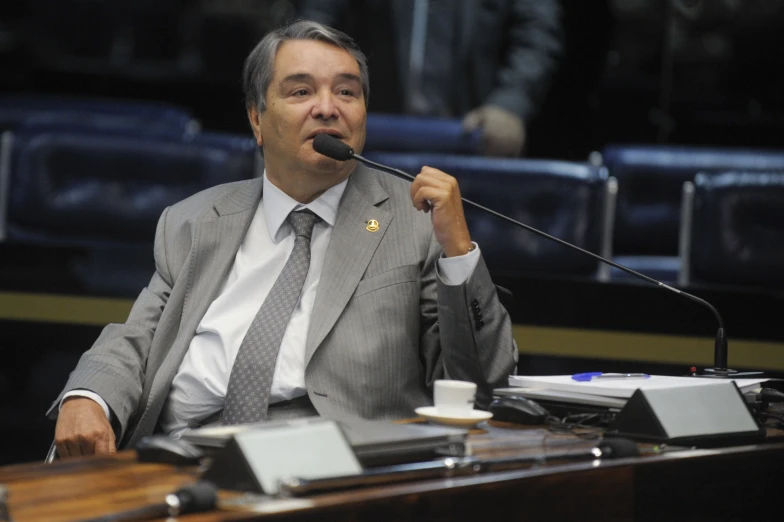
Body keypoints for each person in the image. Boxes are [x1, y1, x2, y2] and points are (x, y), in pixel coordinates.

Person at [49, 20, 517, 458]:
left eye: (347, 92)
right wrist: (88, 397)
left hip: (335, 463)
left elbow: (482, 382)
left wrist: (459, 253)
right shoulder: (195, 220)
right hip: (186, 454)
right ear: (257, 119)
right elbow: (138, 339)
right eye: (301, 91)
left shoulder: (416, 221)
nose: (328, 107)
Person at [299, 0, 563, 157]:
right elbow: (316, 19)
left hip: (469, 137)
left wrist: (510, 102)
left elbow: (536, 35)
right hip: (371, 137)